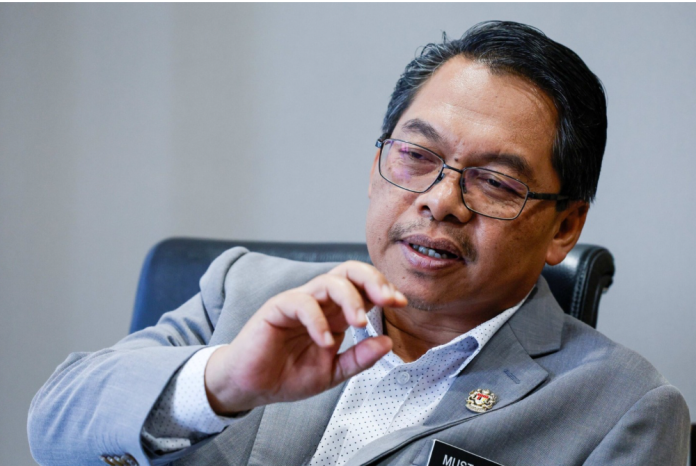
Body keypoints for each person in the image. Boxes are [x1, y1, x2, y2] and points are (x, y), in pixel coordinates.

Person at [28, 21, 690, 466]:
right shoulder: (247, 291)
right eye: (417, 156)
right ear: (377, 165)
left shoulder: (623, 410)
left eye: (494, 181)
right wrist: (223, 382)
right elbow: (54, 425)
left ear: (564, 227)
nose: (440, 200)